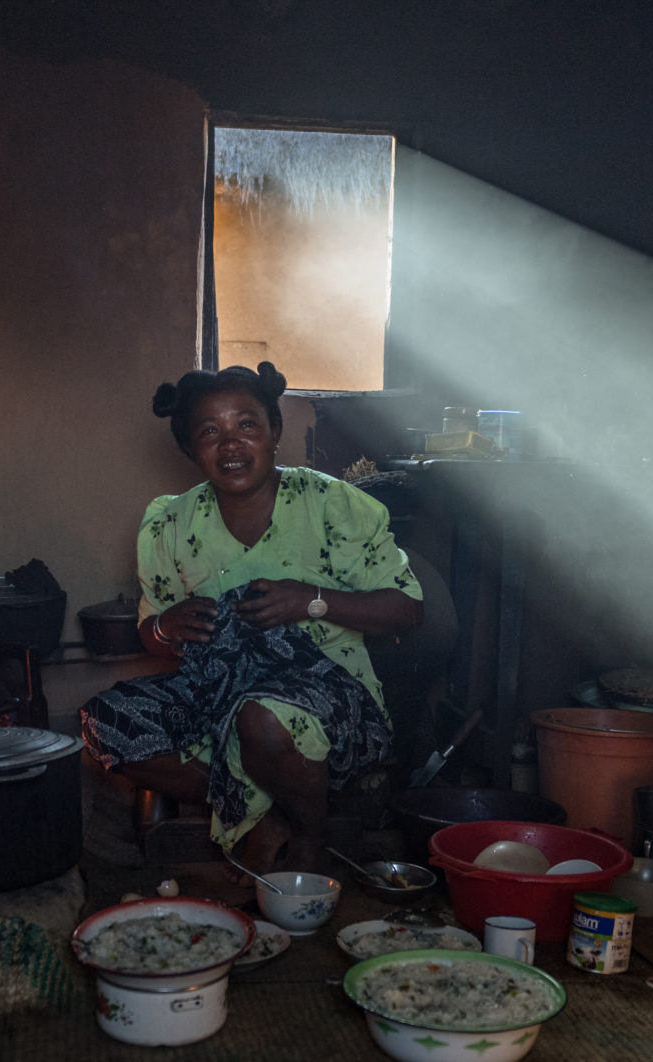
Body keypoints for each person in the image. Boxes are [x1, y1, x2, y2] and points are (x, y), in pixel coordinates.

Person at [80, 362, 423, 874]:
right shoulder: (170, 525)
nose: (232, 444)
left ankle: (309, 836)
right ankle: (262, 819)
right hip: (213, 693)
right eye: (210, 432)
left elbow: (408, 610)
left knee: (260, 717)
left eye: (247, 425)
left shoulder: (329, 504)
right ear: (190, 450)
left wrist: (310, 599)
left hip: (332, 699)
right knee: (104, 722)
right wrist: (164, 627)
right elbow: (152, 636)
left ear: (275, 432)